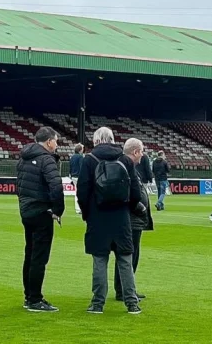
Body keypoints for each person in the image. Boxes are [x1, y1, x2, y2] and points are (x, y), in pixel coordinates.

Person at [77, 127, 144, 315]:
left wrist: (87, 213)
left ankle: (97, 303)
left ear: (96, 141)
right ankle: (132, 303)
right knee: (125, 260)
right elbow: (135, 193)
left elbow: (82, 192)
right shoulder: (124, 159)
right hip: (121, 217)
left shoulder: (89, 160)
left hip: (98, 217)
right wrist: (127, 209)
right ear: (113, 139)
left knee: (99, 260)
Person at [16, 126, 65, 313]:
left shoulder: (23, 157)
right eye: (56, 141)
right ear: (49, 141)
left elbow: (19, 185)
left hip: (26, 210)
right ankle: (35, 299)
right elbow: (56, 186)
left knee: (30, 254)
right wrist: (57, 210)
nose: (57, 145)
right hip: (41, 211)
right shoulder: (46, 159)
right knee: (39, 257)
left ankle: (29, 296)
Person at [114, 142, 153, 303]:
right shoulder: (126, 167)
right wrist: (141, 208)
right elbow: (128, 194)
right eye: (141, 152)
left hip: (133, 218)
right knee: (129, 255)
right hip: (132, 219)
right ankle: (125, 290)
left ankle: (124, 288)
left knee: (128, 255)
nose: (143, 155)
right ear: (136, 152)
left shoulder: (127, 166)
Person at [70, 143, 85, 214]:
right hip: (79, 177)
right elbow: (82, 167)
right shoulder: (80, 157)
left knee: (76, 193)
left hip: (73, 176)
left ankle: (78, 209)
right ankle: (80, 208)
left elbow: (70, 167)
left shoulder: (72, 157)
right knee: (81, 193)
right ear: (80, 150)